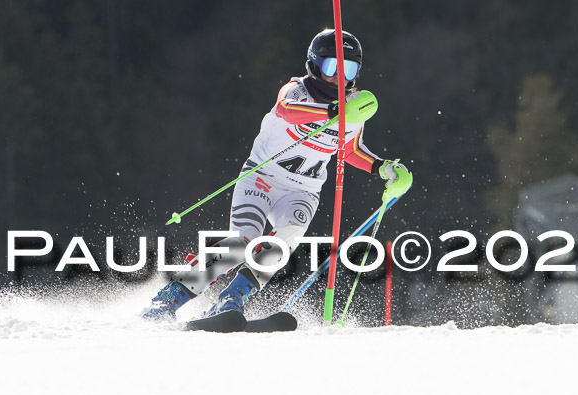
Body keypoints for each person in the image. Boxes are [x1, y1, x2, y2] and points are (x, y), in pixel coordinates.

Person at [142, 29, 412, 321]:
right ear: (314, 64)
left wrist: (383, 167)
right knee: (243, 241)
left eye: (349, 69)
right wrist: (332, 111)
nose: (340, 77)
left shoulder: (353, 107)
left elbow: (350, 150)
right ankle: (169, 298)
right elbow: (287, 110)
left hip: (303, 192)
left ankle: (230, 300)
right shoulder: (298, 90)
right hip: (263, 178)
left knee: (281, 245)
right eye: (332, 67)